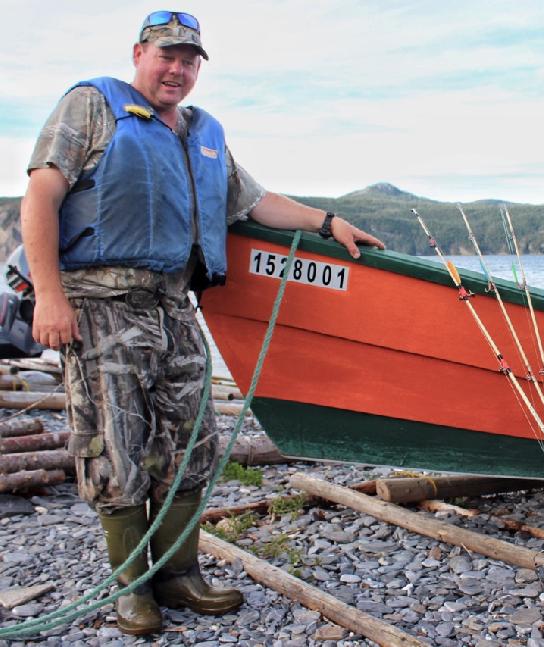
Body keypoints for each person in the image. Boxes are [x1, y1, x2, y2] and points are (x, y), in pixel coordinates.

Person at [20, 10, 384, 636]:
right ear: (140, 53)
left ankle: (180, 575)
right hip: (102, 308)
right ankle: (132, 587)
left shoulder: (202, 131)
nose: (178, 69)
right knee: (116, 447)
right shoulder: (91, 105)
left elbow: (253, 200)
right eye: (168, 55)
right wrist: (49, 298)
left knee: (190, 444)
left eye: (190, 61)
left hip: (173, 308)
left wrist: (326, 222)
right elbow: (41, 195)